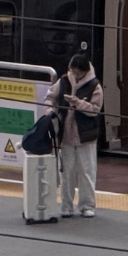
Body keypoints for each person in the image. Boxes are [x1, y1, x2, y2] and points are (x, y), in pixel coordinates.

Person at [44, 52, 104, 219]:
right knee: (66, 172)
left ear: (86, 70)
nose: (75, 75)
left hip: (86, 136)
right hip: (66, 136)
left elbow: (95, 110)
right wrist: (49, 109)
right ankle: (66, 206)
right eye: (73, 71)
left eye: (78, 72)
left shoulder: (95, 85)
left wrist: (78, 103)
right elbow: (50, 97)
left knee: (86, 172)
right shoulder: (63, 81)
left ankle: (87, 206)